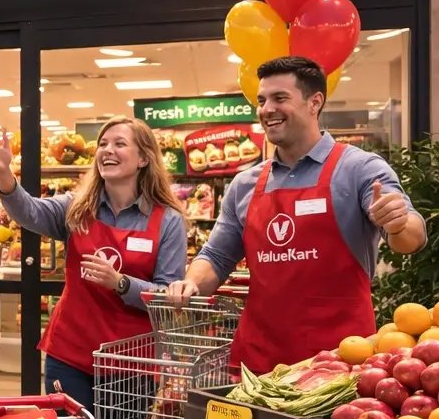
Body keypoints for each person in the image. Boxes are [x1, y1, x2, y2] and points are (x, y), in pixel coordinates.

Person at [168, 55, 426, 372]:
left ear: (314, 102)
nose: (266, 109)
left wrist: (398, 223)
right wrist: (191, 283)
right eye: (262, 100)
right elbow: (217, 256)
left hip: (341, 362)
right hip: (259, 364)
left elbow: (411, 239)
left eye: (280, 98)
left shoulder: (359, 168)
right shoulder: (244, 184)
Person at [0, 117, 188, 414]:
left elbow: (167, 296)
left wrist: (121, 283)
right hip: (70, 355)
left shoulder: (167, 221)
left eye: (119, 143)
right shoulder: (76, 208)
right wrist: (4, 174)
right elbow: (29, 213)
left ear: (144, 158)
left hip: (131, 364)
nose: (107, 150)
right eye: (103, 144)